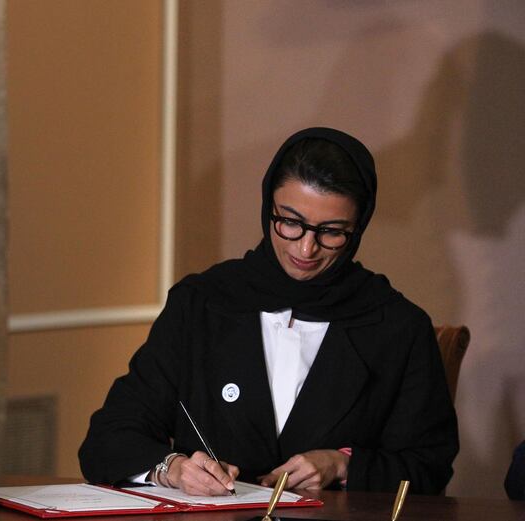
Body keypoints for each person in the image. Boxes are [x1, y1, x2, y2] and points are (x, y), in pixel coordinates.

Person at [79, 127, 459, 496]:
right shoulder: (201, 303)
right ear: (268, 208)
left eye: (332, 231)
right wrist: (172, 469)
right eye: (290, 222)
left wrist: (343, 464)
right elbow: (108, 438)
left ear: (358, 229)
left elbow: (429, 465)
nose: (306, 249)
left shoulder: (397, 326)